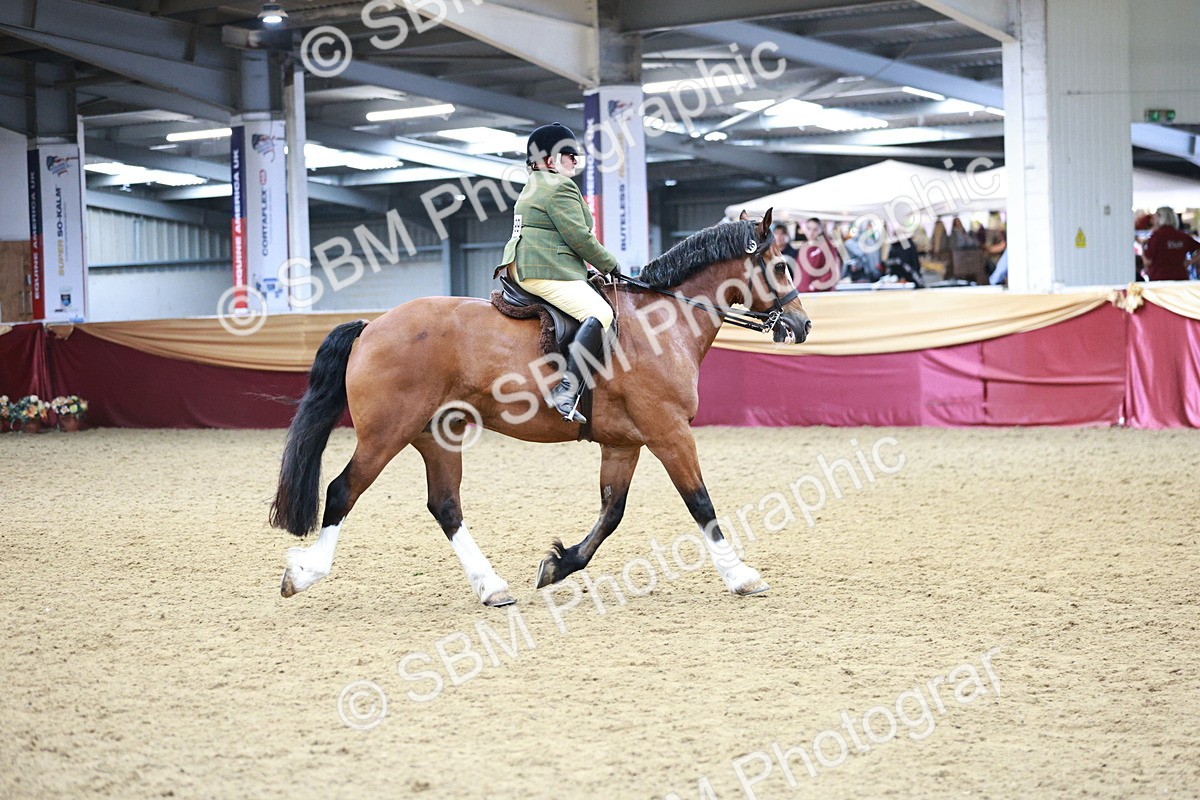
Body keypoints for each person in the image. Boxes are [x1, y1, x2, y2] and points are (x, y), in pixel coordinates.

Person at [498, 122, 620, 424]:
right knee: (601, 313)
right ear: (549, 160)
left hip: (527, 265)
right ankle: (566, 389)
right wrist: (610, 265)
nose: (575, 161)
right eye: (568, 154)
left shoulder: (533, 186)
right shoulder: (558, 186)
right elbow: (578, 237)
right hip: (544, 269)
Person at [1141, 206, 1200, 282]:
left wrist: (1142, 247)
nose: (1152, 221)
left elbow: (1147, 261)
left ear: (1161, 217)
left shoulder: (1156, 236)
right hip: (1180, 277)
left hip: (1159, 279)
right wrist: (1189, 262)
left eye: (1155, 217)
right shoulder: (1182, 236)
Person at [796, 217, 842, 292]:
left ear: (820, 230)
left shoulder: (826, 246)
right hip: (803, 294)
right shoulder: (804, 247)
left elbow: (833, 273)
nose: (811, 232)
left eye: (815, 229)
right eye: (809, 229)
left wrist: (814, 286)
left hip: (819, 296)